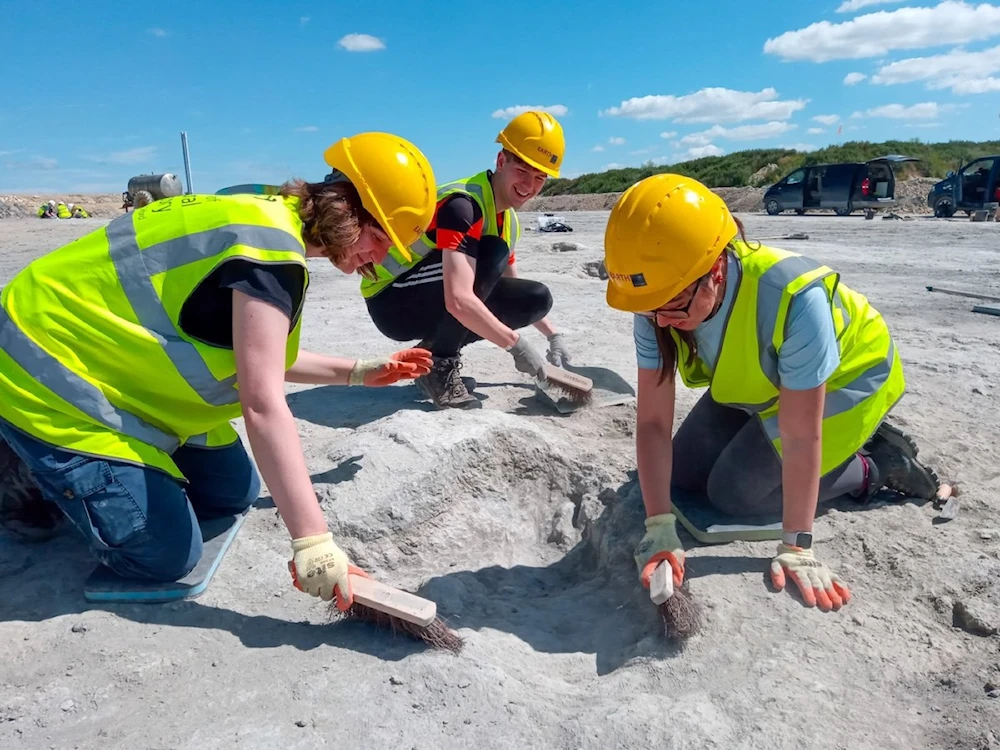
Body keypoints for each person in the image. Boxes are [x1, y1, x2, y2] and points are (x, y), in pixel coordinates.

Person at [0, 132, 438, 612]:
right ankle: (20, 468)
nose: (378, 259)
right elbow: (262, 403)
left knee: (234, 491)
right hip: (42, 370)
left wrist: (360, 372)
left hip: (120, 374)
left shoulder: (268, 219)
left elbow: (263, 357)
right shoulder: (269, 252)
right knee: (164, 554)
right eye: (379, 238)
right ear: (346, 207)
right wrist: (313, 541)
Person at [602, 173, 940, 613]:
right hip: (767, 378)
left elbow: (801, 435)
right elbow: (651, 422)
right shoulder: (656, 299)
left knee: (733, 492)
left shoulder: (794, 298)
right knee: (680, 475)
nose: (661, 322)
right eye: (652, 309)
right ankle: (793, 443)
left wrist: (797, 544)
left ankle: (873, 464)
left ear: (716, 270)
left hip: (846, 377)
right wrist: (658, 526)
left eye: (673, 307)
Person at [358, 111, 573, 408]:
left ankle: (431, 356)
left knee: (535, 298)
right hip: (392, 299)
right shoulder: (464, 205)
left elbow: (511, 286)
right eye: (522, 171)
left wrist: (553, 337)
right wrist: (517, 346)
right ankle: (440, 365)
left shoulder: (507, 222)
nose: (529, 185)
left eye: (539, 177)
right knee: (492, 252)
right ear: (501, 162)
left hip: (426, 294)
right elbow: (458, 299)